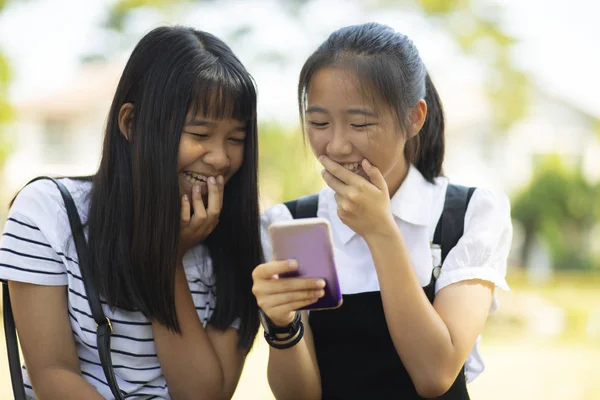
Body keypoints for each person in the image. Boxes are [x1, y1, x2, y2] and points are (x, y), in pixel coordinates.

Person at [252, 22, 512, 399]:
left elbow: (435, 376)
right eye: (319, 123)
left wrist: (380, 231)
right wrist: (281, 323)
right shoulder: (293, 225)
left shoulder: (467, 214)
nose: (337, 146)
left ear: (414, 118)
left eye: (360, 123)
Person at [0, 26, 262, 399]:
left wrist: (168, 260)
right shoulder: (49, 212)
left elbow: (203, 395)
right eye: (200, 135)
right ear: (131, 124)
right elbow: (52, 373)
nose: (221, 158)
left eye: (235, 139)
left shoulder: (240, 238)